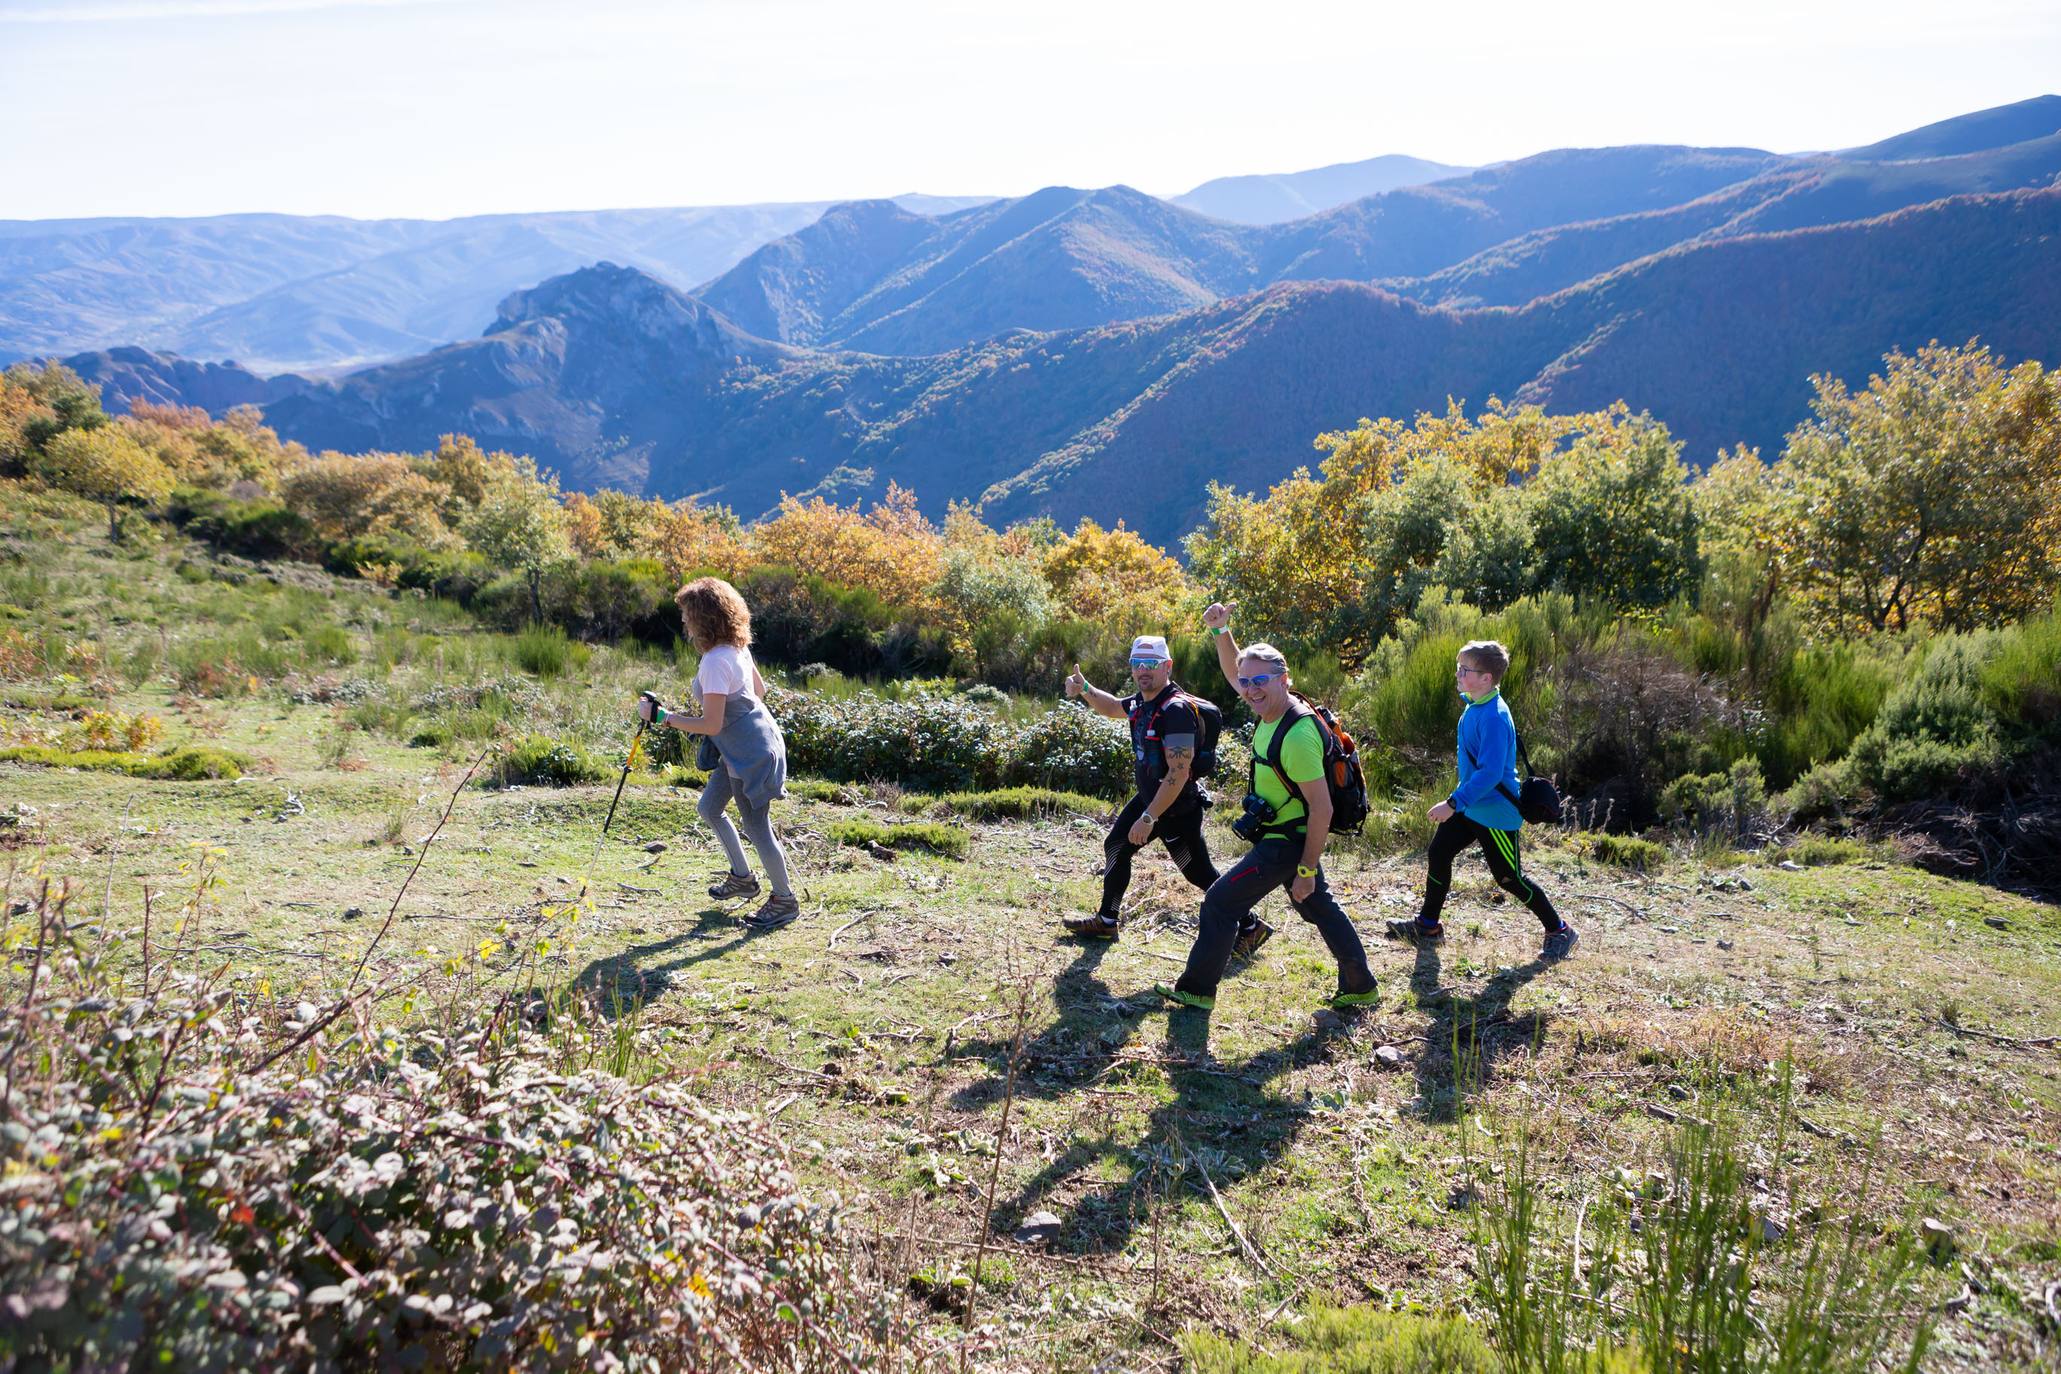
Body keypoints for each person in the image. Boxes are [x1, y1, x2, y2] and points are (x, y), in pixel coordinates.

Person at [1156, 602, 1379, 1013]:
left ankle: (1197, 990)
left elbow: (1322, 809)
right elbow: (1235, 673)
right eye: (1246, 682)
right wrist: (1221, 632)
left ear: (1284, 679)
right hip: (1285, 835)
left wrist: (1306, 869)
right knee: (1318, 908)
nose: (1250, 689)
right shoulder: (1271, 707)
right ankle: (1360, 985)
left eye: (1260, 681)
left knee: (1221, 903)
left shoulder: (1296, 735)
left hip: (1287, 841)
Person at [1387, 640, 1578, 960]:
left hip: (1495, 813)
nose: (1458, 674)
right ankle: (1428, 926)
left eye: (1465, 670)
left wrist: (1452, 803)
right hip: (1472, 805)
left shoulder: (1493, 716)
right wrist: (1459, 801)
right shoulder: (1475, 706)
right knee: (1439, 852)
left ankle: (1560, 930)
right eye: (1458, 667)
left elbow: (1490, 773)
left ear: (1486, 678)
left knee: (1509, 879)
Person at [637, 576, 800, 931]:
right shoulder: (737, 647)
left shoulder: (714, 662)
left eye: (687, 614)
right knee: (709, 808)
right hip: (746, 745)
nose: (683, 620)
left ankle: (785, 900)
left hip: (750, 753)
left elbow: (710, 724)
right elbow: (759, 691)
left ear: (704, 618)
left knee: (756, 826)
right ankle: (742, 878)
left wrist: (662, 718)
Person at [1060, 635, 1245, 946]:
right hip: (1152, 801)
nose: (1143, 670)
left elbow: (1179, 772)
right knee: (1116, 846)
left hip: (1175, 808)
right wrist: (1086, 689)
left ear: (1167, 666)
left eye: (1151, 663)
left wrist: (1148, 818)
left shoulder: (1175, 710)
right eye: (1137, 663)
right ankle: (1107, 921)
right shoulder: (1142, 702)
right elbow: (1113, 707)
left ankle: (1250, 925)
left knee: (1199, 873)